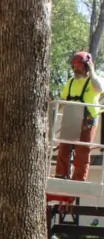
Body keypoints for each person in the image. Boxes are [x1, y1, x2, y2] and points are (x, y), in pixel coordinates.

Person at [55, 51, 104, 181]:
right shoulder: (70, 82)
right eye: (74, 66)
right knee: (64, 147)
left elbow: (99, 88)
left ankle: (79, 178)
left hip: (88, 120)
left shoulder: (94, 81)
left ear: (87, 66)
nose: (76, 69)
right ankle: (61, 175)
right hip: (71, 118)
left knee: (82, 150)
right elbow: (62, 100)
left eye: (80, 66)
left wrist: (92, 71)